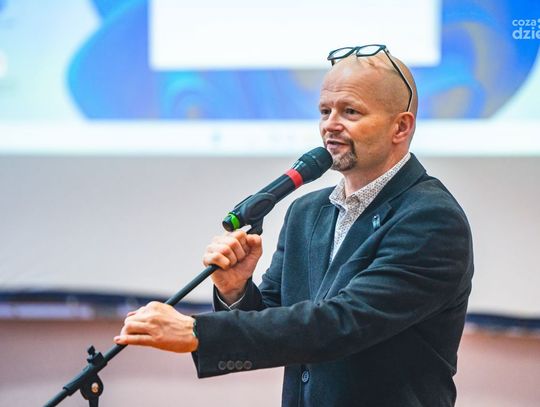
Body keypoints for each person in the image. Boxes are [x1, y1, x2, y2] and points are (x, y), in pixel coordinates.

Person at [114, 44, 474, 406]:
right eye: (325, 111)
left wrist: (198, 331)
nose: (330, 124)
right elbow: (275, 320)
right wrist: (235, 290)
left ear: (401, 127)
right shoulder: (307, 211)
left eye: (350, 111)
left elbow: (342, 323)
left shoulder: (432, 218)